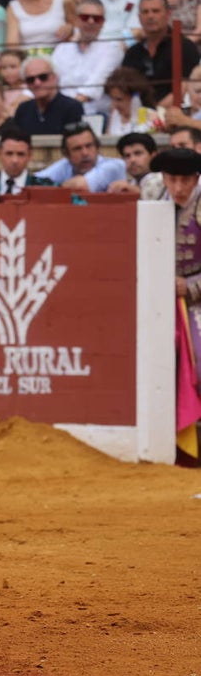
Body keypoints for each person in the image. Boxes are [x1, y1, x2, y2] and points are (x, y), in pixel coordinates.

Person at [158, 147, 201, 464]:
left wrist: (191, 286)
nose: (177, 188)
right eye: (171, 179)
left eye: (184, 180)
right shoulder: (153, 196)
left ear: (196, 178)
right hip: (159, 305)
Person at [122, 0, 201, 106]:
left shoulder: (185, 47)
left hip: (175, 116)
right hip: (137, 116)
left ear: (168, 14)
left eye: (156, 11)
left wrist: (155, 113)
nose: (150, 16)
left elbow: (186, 87)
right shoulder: (132, 53)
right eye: (145, 12)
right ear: (139, 18)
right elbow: (123, 90)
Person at [50, 0, 123, 117]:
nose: (91, 22)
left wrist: (60, 112)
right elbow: (49, 81)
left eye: (97, 19)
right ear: (77, 20)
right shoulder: (62, 49)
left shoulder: (112, 49)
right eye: (85, 17)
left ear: (103, 23)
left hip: (93, 113)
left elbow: (92, 89)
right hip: (61, 111)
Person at [36, 121, 127, 191]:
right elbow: (34, 182)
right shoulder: (65, 165)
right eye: (77, 149)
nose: (85, 153)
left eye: (89, 146)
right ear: (66, 154)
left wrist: (53, 188)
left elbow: (82, 186)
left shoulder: (114, 166)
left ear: (97, 147)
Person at [12, 55, 84, 136]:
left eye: (43, 77)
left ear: (55, 77)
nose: (37, 83)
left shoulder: (72, 107)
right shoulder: (23, 110)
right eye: (30, 80)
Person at [0, 126, 54, 196]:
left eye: (20, 154)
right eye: (9, 154)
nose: (15, 160)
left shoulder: (45, 188)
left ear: (29, 156)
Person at [104, 66, 161, 135]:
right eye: (112, 99)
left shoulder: (152, 117)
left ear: (136, 96)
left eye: (119, 99)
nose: (114, 105)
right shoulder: (114, 114)